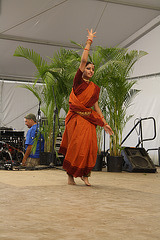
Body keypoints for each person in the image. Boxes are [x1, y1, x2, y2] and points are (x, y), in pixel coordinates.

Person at [59, 29, 113, 186]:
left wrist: (104, 122)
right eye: (88, 68)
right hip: (76, 120)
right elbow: (83, 61)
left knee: (90, 148)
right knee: (76, 148)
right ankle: (70, 175)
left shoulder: (95, 88)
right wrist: (89, 42)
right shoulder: (78, 82)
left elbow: (96, 106)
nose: (90, 71)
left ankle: (85, 175)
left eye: (92, 69)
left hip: (89, 121)